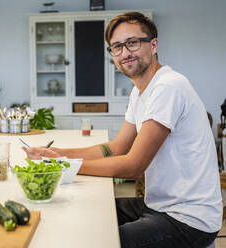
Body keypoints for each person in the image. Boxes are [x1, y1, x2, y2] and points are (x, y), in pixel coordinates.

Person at [23, 12, 222, 248]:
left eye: (133, 43)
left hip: (188, 220)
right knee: (85, 213)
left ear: (154, 44)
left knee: (98, 240)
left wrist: (65, 167)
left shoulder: (168, 86)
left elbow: (133, 166)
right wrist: (59, 154)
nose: (125, 52)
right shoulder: (140, 92)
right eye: (116, 47)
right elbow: (116, 147)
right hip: (159, 205)